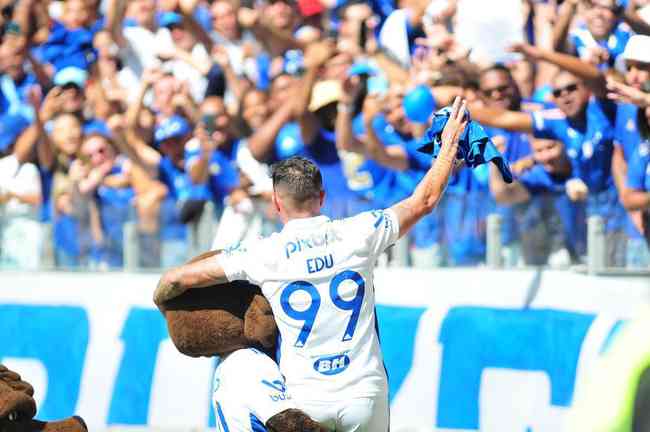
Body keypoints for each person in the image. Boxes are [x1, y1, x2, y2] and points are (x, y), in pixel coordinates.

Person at [153, 97, 470, 431]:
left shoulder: (260, 254)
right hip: (364, 392)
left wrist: (162, 299)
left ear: (276, 203)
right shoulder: (360, 232)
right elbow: (425, 200)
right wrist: (449, 146)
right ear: (322, 197)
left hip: (305, 397)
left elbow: (180, 278)